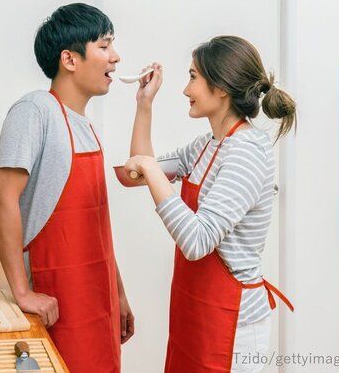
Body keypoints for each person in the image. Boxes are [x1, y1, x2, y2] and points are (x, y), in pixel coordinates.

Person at [125, 36, 296, 373]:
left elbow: (197, 241)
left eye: (193, 77)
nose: (185, 90)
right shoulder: (206, 146)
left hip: (232, 325)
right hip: (194, 312)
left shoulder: (247, 151)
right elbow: (136, 172)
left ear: (221, 88)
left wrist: (149, 170)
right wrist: (144, 104)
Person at [0, 3, 134, 372]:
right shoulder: (35, 110)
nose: (115, 57)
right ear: (69, 59)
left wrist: (117, 292)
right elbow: (2, 200)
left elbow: (97, 228)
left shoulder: (86, 126)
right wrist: (22, 292)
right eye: (104, 46)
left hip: (97, 298)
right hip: (56, 298)